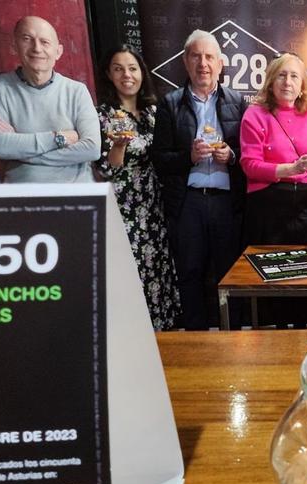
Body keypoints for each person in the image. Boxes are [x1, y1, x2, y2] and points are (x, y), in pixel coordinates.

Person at [151, 30, 247, 330]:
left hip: (225, 202)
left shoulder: (238, 102)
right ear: (185, 61)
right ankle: (196, 340)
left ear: (220, 63)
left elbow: (250, 154)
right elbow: (159, 159)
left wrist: (231, 156)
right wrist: (188, 157)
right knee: (190, 273)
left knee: (228, 274)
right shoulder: (169, 103)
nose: (202, 63)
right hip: (188, 203)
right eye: (196, 56)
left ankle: (232, 341)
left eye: (209, 57)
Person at [97, 45, 180, 331]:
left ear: (142, 73)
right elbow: (107, 168)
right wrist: (119, 146)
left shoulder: (154, 112)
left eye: (132, 68)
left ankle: (163, 335)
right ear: (109, 74)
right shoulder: (103, 115)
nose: (127, 75)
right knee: (131, 270)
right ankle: (134, 333)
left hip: (156, 201)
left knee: (159, 265)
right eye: (118, 69)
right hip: (124, 204)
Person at [0, 16, 101, 183]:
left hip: (78, 193)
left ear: (58, 52)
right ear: (14, 47)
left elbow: (91, 149)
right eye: (27, 39)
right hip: (24, 194)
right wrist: (58, 138)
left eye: (45, 42)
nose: (37, 48)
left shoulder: (77, 90)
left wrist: (21, 151)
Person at [240, 52, 307, 245]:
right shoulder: (254, 115)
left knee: (306, 267)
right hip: (268, 204)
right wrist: (292, 169)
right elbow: (249, 165)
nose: (287, 82)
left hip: (305, 205)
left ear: (302, 86)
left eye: (294, 76)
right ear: (271, 82)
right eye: (281, 75)